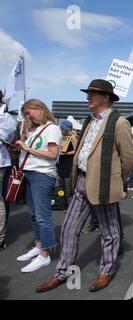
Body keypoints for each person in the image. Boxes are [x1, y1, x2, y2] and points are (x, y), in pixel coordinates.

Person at [36, 79, 133, 293]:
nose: (88, 97)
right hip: (81, 181)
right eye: (88, 93)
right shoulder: (90, 121)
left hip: (103, 184)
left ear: (106, 98)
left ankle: (107, 271)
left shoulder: (119, 123)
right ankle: (61, 273)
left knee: (109, 231)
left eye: (92, 93)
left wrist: (116, 180)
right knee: (69, 229)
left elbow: (129, 160)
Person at [15, 99, 62, 272]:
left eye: (29, 112)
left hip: (42, 175)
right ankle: (39, 245)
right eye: (25, 113)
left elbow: (52, 154)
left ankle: (45, 254)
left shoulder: (52, 128)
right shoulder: (35, 129)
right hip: (30, 173)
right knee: (34, 214)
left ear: (40, 109)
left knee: (42, 216)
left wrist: (27, 148)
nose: (28, 116)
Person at [0, 90, 18, 250]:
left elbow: (3, 138)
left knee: (0, 201)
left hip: (1, 164)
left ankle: (0, 237)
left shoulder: (7, 119)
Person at [57, 119, 78, 208]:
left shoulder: (73, 137)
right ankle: (63, 204)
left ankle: (71, 206)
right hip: (61, 162)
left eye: (61, 128)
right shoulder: (62, 137)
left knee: (68, 185)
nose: (60, 130)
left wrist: (66, 153)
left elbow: (76, 150)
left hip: (69, 162)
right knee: (61, 184)